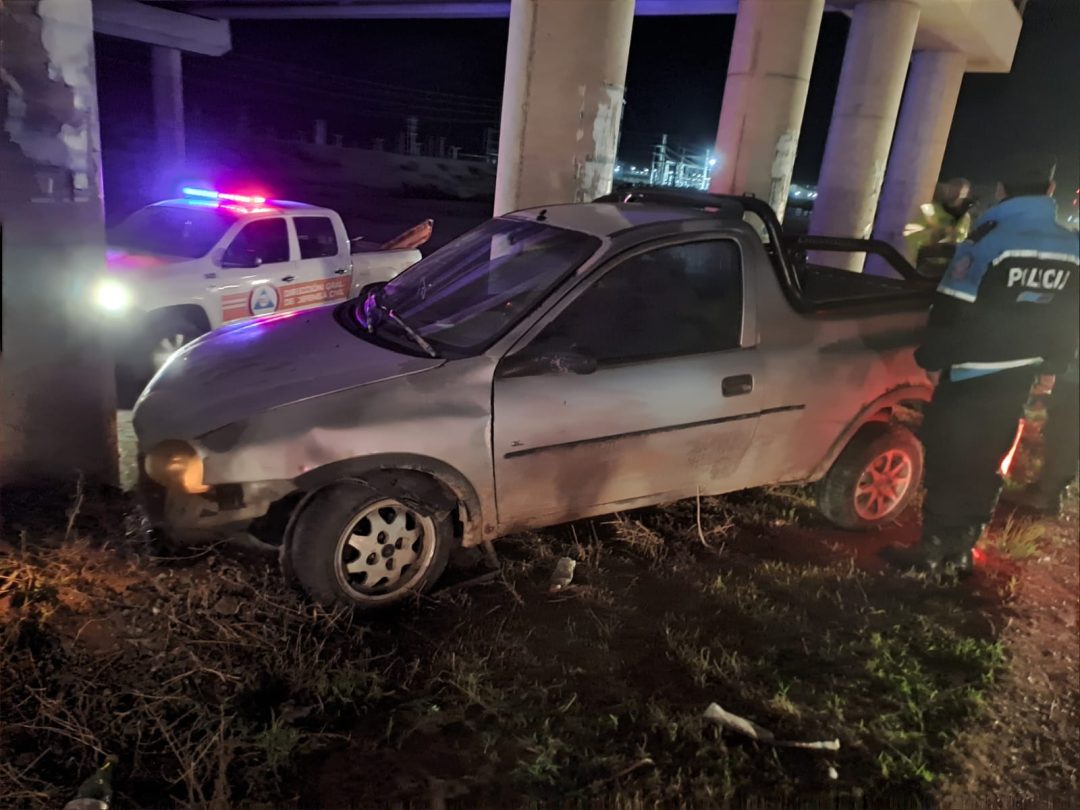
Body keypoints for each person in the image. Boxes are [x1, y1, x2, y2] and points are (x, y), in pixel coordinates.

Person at [883, 164, 1079, 574]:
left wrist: (932, 360)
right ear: (1051, 189)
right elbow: (1068, 313)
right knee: (989, 457)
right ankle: (963, 548)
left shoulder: (989, 240)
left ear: (1003, 187)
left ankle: (934, 551)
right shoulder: (1070, 245)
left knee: (950, 457)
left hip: (972, 370)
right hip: (1021, 370)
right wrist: (1055, 362)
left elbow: (952, 308)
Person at [904, 177, 975, 278]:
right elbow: (913, 235)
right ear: (948, 189)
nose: (957, 195)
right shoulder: (931, 210)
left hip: (948, 266)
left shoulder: (965, 217)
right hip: (927, 263)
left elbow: (961, 240)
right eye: (954, 190)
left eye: (961, 193)